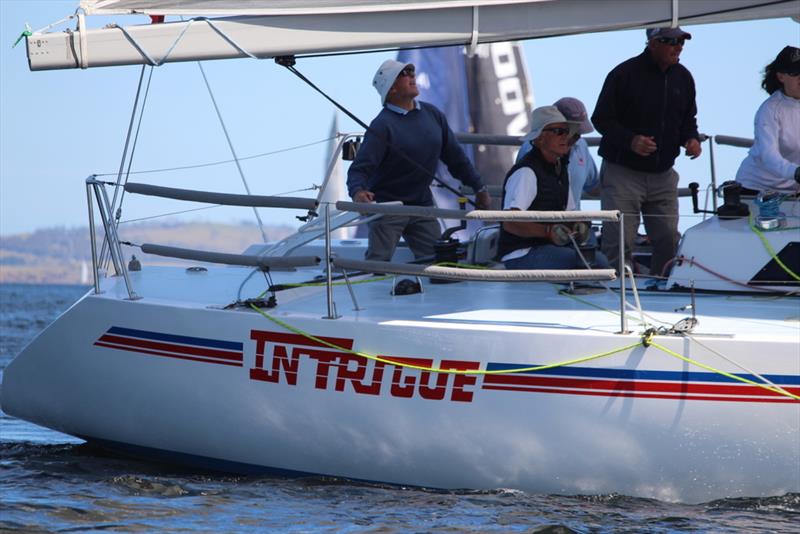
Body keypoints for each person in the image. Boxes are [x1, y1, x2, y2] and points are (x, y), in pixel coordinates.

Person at [347, 59, 491, 262]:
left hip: (422, 204)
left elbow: (455, 157)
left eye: (411, 71)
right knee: (378, 262)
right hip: (388, 207)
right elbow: (359, 170)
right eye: (404, 73)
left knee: (438, 262)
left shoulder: (433, 114)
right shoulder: (381, 125)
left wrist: (479, 187)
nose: (411, 75)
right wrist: (358, 192)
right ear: (392, 88)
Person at [591, 26, 702, 277]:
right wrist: (631, 141)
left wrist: (691, 139)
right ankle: (614, 294)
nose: (678, 47)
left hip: (663, 174)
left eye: (681, 41)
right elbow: (602, 119)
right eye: (670, 41)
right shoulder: (623, 74)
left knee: (668, 239)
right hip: (623, 174)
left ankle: (662, 288)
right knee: (619, 241)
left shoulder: (683, 77)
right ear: (652, 43)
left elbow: (688, 119)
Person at [497, 106, 609, 270]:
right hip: (522, 253)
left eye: (567, 132)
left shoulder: (561, 168)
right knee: (591, 264)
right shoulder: (526, 172)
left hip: (547, 248)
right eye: (559, 131)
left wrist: (579, 225)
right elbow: (510, 223)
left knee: (597, 259)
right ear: (540, 138)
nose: (566, 136)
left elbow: (570, 214)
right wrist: (548, 232)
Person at [735, 45, 800, 194]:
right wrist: (795, 173)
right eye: (795, 72)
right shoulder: (770, 109)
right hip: (755, 189)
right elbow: (769, 155)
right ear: (781, 76)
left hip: (793, 190)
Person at [517, 97, 599, 209]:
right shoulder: (529, 160)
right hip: (548, 223)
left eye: (579, 132)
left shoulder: (581, 146)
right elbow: (515, 216)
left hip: (567, 223)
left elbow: (594, 185)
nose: (578, 136)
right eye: (572, 130)